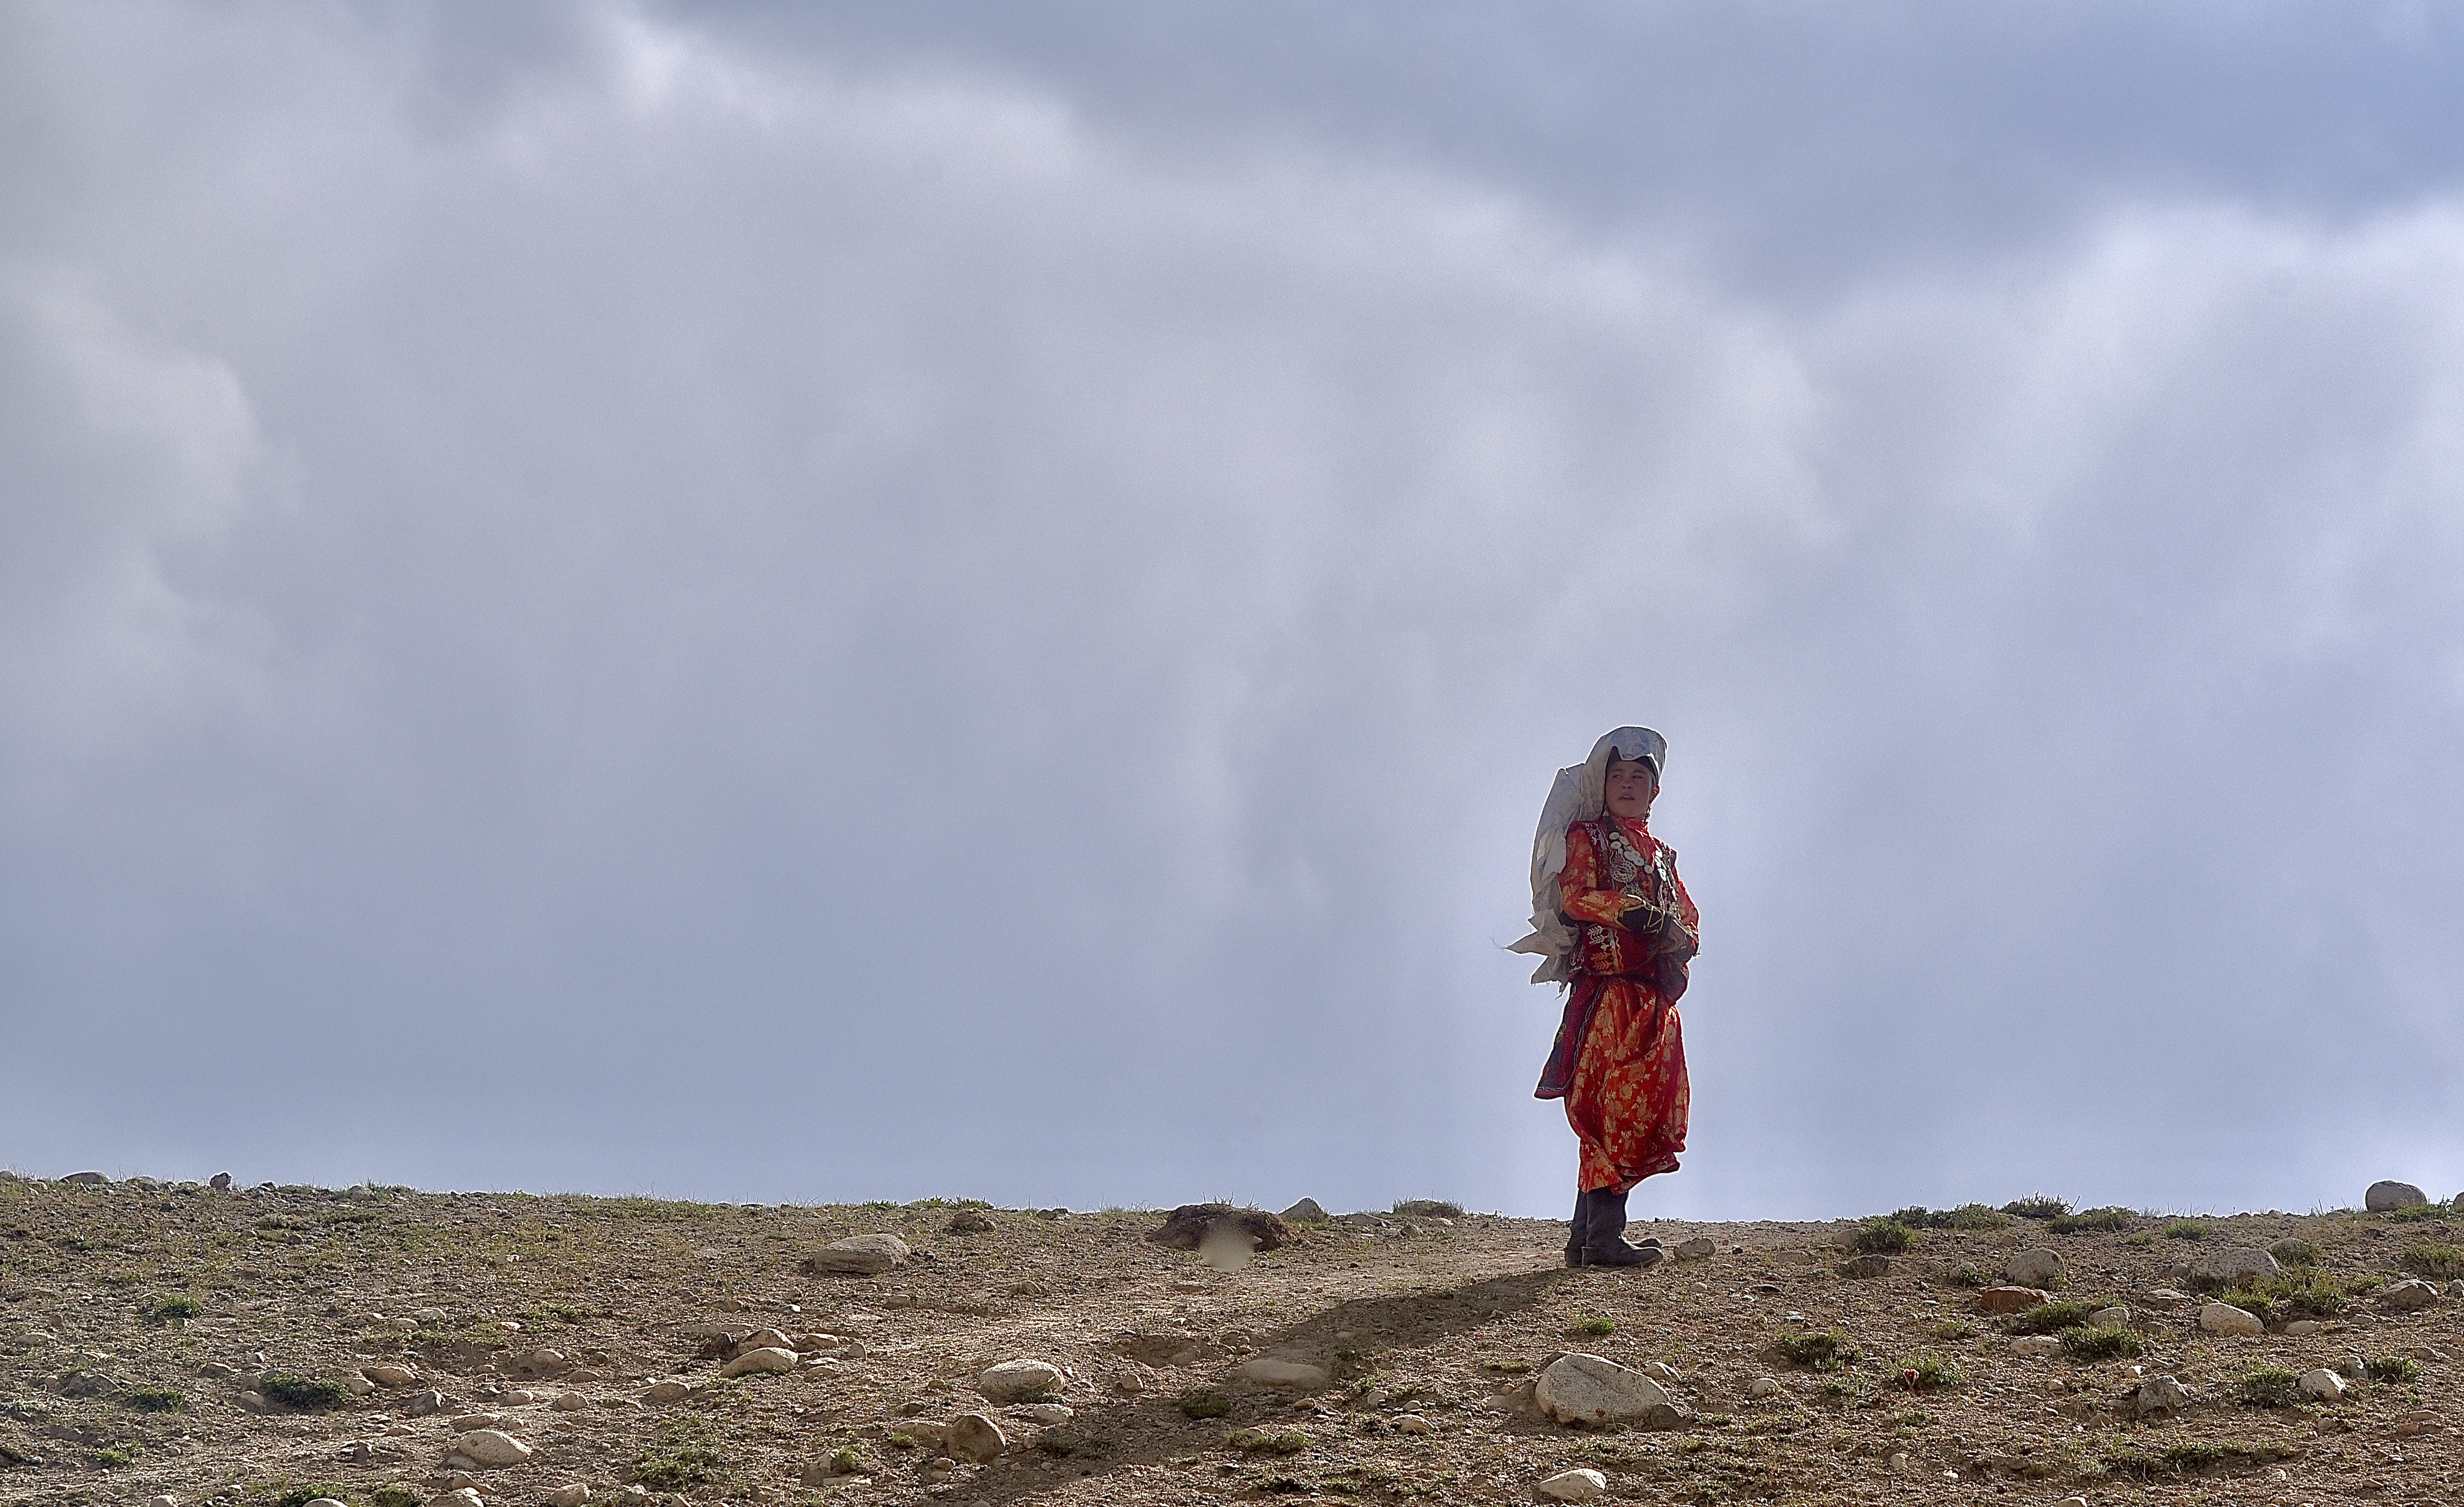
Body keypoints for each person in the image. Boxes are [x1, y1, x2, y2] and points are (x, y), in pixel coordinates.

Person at [1510, 727, 1699, 1267]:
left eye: (1638, 777)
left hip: (1652, 1003)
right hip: (1608, 995)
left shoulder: (1664, 856)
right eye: (1617, 775)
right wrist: (1634, 912)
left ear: (1654, 791)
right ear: (1604, 782)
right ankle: (1603, 1235)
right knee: (1609, 1107)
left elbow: (1690, 917)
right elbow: (1576, 895)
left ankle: (1586, 1236)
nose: (1627, 784)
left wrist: (1679, 934)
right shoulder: (1586, 837)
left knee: (1635, 1110)